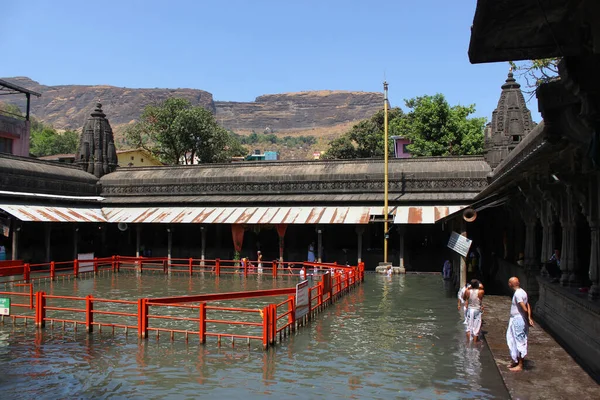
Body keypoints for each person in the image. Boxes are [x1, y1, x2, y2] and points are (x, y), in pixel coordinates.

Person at [506, 277, 534, 371]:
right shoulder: (522, 292)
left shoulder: (518, 294)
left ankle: (520, 365)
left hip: (518, 319)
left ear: (510, 284)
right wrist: (529, 318)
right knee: (512, 339)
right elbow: (528, 305)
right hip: (517, 319)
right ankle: (516, 361)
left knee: (519, 341)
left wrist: (527, 318)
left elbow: (524, 308)